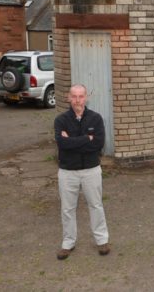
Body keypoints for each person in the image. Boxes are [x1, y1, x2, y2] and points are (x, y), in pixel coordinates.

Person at [54, 84, 110, 260]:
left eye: (81, 96)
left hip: (91, 170)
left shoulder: (96, 119)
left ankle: (102, 241)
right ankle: (68, 243)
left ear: (86, 98)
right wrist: (87, 139)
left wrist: (72, 141)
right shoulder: (60, 120)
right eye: (74, 96)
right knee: (67, 209)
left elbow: (98, 144)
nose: (78, 100)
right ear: (68, 98)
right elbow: (62, 145)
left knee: (96, 205)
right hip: (67, 172)